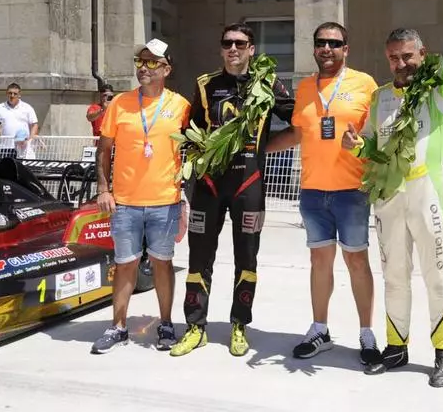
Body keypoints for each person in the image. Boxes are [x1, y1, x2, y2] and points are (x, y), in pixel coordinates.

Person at [341, 0, 443, 387]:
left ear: (423, 54)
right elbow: (372, 146)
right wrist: (357, 145)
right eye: (394, 58)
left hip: (426, 193)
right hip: (388, 197)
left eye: (408, 55)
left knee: (438, 277)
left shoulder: (440, 89)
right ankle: (396, 348)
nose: (402, 63)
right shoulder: (379, 97)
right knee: (394, 276)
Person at [170, 23, 295, 358]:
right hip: (209, 185)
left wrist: (264, 148)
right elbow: (191, 131)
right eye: (227, 43)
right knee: (199, 257)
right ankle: (195, 327)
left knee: (247, 257)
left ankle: (240, 325)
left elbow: (299, 124)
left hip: (248, 184)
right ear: (221, 48)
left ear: (252, 48)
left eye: (240, 43)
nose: (233, 49)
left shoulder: (267, 83)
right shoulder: (205, 84)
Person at [266, 22, 382, 365]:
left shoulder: (365, 84)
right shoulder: (304, 87)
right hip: (313, 191)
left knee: (357, 261)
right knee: (319, 262)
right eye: (321, 43)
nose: (327, 48)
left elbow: (379, 135)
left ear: (346, 49)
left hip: (352, 191)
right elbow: (297, 134)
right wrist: (257, 151)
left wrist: (360, 144)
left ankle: (367, 333)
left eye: (334, 43)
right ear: (314, 48)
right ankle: (320, 330)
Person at [91, 38, 191, 354]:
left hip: (165, 201)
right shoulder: (120, 103)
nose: (143, 68)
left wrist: (186, 193)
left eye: (151, 62)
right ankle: (118, 327)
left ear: (166, 69)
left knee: (163, 264)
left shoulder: (181, 106)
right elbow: (104, 150)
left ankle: (165, 324)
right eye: (140, 61)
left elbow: (193, 149)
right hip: (125, 202)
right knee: (125, 264)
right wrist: (103, 189)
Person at [0, 83, 39, 159]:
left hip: (23, 146)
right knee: (6, 167)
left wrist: (30, 140)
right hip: (5, 147)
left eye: (15, 94)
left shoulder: (27, 108)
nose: (12, 96)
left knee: (23, 166)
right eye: (10, 93)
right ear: (6, 93)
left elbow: (35, 124)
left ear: (19, 95)